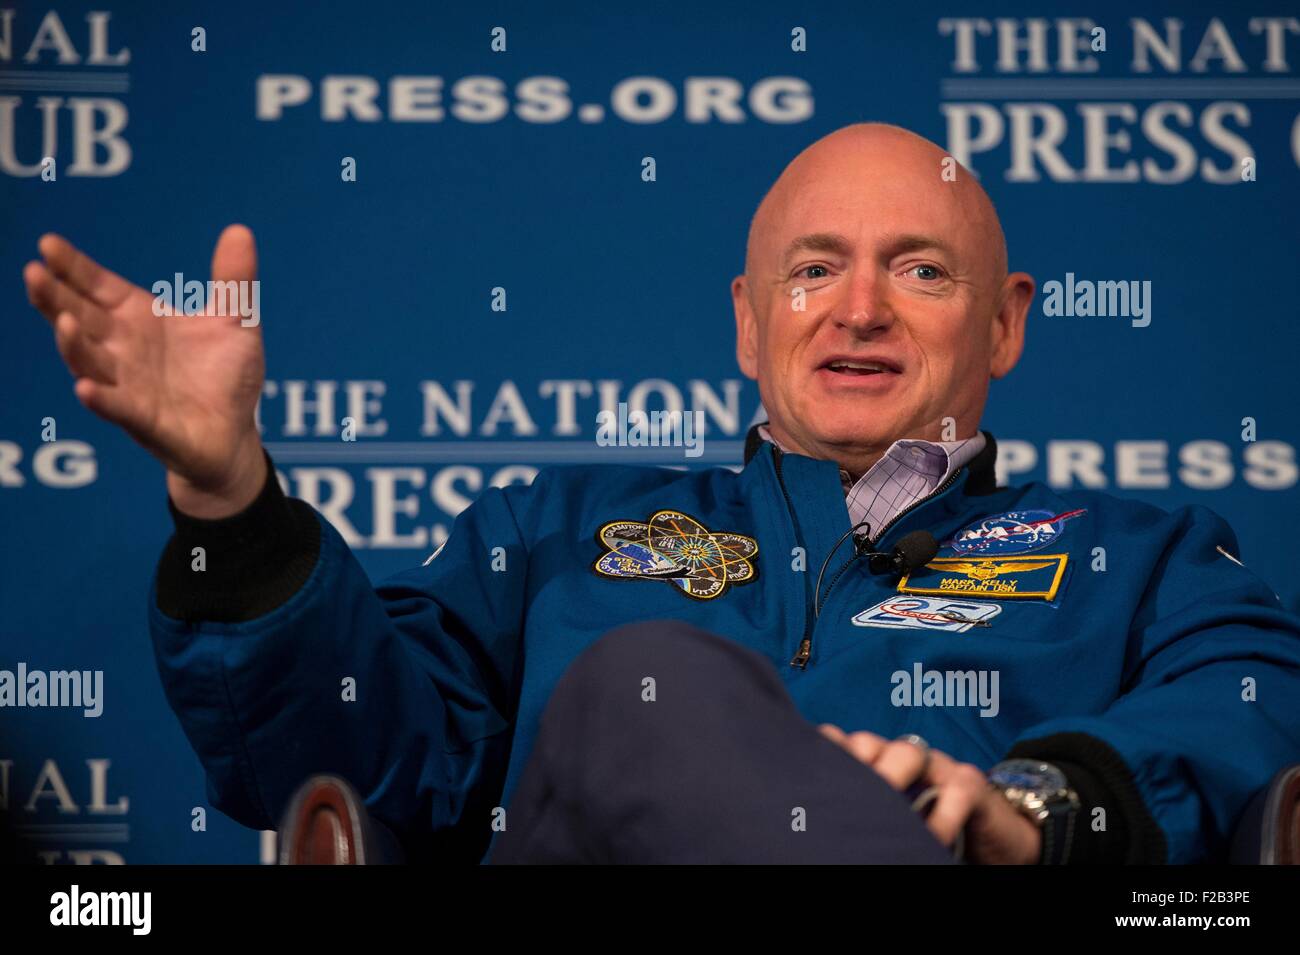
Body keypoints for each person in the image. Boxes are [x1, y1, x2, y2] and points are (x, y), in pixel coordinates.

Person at [23, 124, 1300, 865]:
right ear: (748, 324)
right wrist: (229, 496)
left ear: (1007, 325)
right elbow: (345, 760)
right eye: (812, 271)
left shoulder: (1141, 558)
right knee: (656, 679)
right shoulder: (550, 535)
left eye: (918, 268)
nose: (857, 308)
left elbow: (1260, 709)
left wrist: (1038, 804)